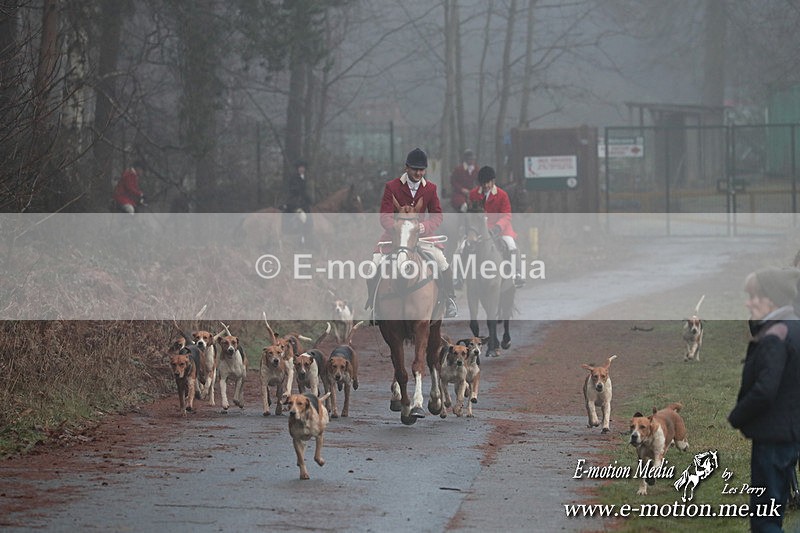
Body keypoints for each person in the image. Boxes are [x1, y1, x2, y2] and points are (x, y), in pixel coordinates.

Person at [728, 266, 800, 533]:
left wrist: (736, 416)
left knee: (765, 520)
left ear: (771, 298)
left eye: (754, 296)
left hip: (772, 437)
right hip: (790, 433)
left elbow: (765, 390)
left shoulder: (775, 335)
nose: (748, 303)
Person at [367, 147, 458, 319]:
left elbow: (437, 215)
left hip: (422, 236)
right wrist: (395, 228)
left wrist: (425, 227)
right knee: (373, 265)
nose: (418, 173)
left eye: (421, 169)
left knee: (442, 263)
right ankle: (374, 305)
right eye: (415, 169)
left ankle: (449, 300)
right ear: (406, 168)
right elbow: (384, 215)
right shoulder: (392, 187)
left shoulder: (430, 188)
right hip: (395, 235)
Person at [467, 165, 525, 288]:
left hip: (500, 228)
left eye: (488, 182)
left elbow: (507, 215)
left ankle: (517, 274)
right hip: (479, 228)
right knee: (463, 246)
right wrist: (472, 228)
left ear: (493, 181)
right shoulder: (473, 194)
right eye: (483, 183)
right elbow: (471, 213)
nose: (486, 186)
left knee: (511, 245)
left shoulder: (502, 195)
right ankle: (459, 277)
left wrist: (497, 228)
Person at [281, 160, 313, 244]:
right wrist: (300, 191)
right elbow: (294, 190)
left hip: (303, 202)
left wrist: (309, 199)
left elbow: (305, 191)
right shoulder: (294, 178)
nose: (302, 169)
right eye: (300, 168)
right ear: (298, 169)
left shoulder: (305, 178)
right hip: (294, 202)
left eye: (303, 167)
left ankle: (309, 235)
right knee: (302, 217)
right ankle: (301, 238)